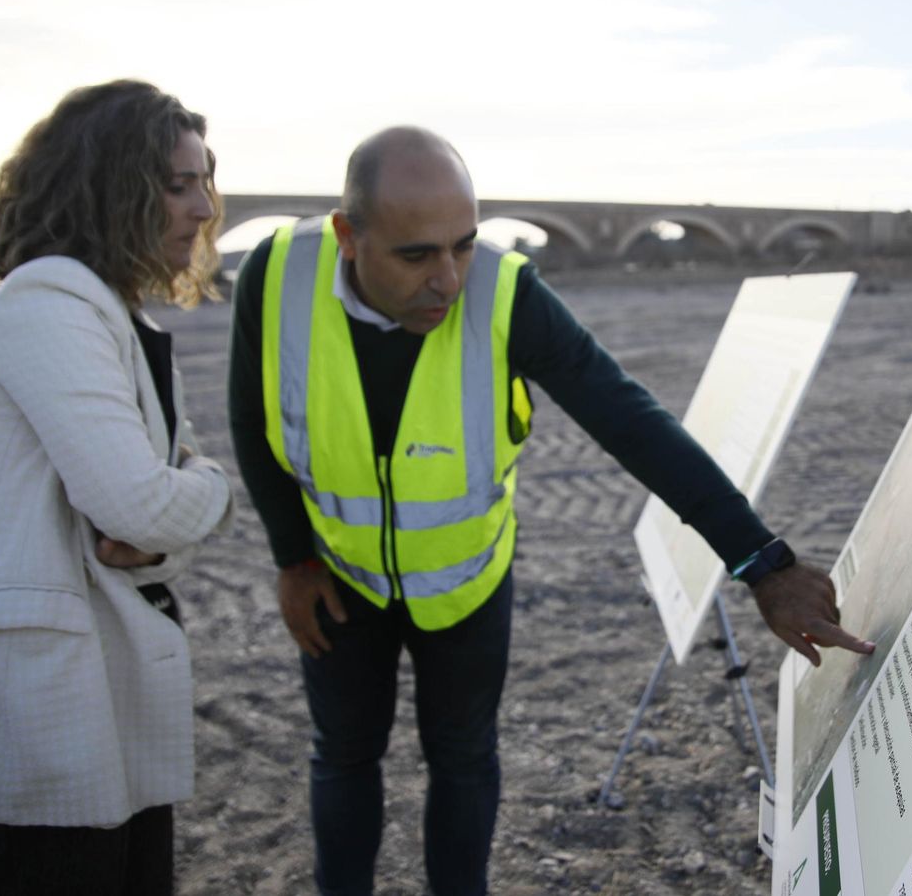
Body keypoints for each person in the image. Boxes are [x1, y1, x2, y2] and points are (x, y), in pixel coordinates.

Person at [227, 125, 873, 896]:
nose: (448, 278)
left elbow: (628, 418)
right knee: (342, 755)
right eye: (416, 255)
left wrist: (763, 563)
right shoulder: (276, 278)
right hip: (338, 576)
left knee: (463, 760)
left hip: (466, 582)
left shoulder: (506, 292)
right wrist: (291, 556)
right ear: (347, 236)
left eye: (462, 246)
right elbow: (252, 418)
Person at [0, 80, 235, 896]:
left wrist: (167, 515)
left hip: (92, 686)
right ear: (109, 186)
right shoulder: (50, 303)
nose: (205, 208)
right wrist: (213, 490)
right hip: (37, 697)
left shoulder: (108, 311)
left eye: (206, 181)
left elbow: (143, 530)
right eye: (179, 184)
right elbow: (138, 506)